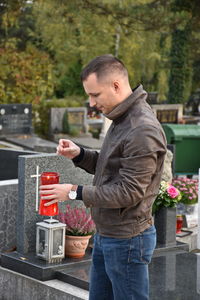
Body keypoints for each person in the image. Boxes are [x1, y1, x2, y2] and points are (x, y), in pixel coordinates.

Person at [40, 54, 167, 300]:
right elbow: (111, 169)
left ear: (116, 86)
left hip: (128, 240)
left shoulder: (142, 128)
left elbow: (128, 192)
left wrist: (73, 191)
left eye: (95, 95)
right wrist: (80, 154)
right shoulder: (122, 118)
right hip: (109, 234)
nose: (91, 103)